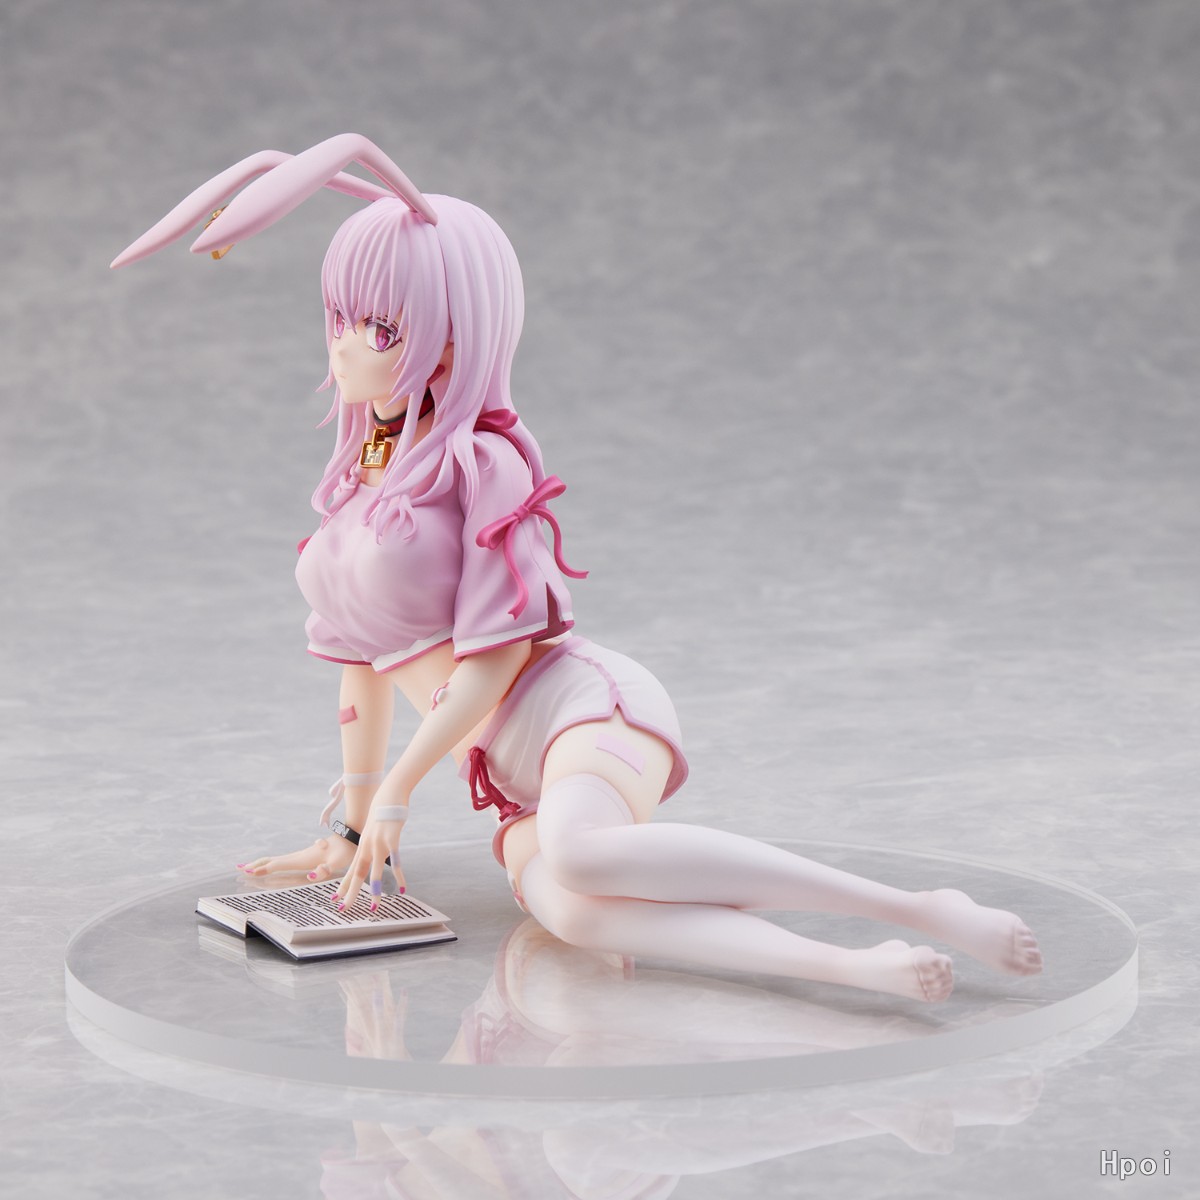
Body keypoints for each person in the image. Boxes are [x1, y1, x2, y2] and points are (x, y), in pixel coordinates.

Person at [113, 134, 1042, 1003]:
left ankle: (921, 909)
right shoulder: (357, 482)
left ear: (451, 339)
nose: (346, 343)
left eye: (381, 327)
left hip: (581, 712)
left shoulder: (485, 464)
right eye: (341, 319)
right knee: (573, 911)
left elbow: (493, 664)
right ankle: (857, 969)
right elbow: (363, 665)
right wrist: (355, 824)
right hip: (510, 781)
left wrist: (399, 793)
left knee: (582, 855)